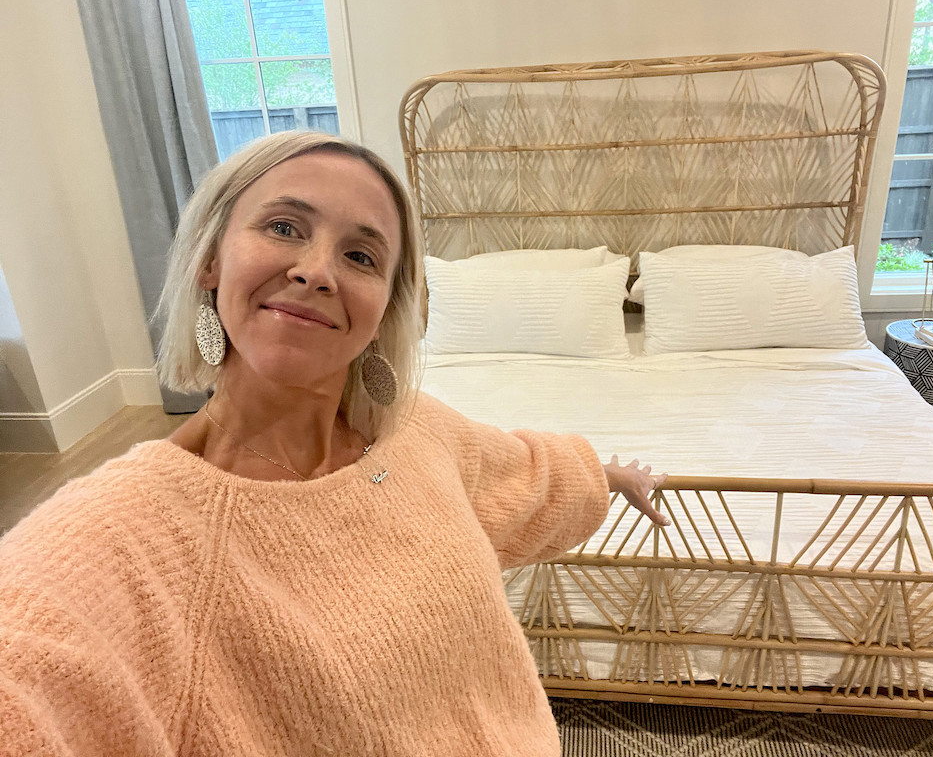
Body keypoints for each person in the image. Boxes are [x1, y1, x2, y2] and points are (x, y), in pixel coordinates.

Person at [0, 131, 667, 756]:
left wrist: (606, 472)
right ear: (210, 259)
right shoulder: (125, 537)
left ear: (383, 310)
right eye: (284, 227)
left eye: (360, 256)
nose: (317, 272)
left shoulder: (415, 432)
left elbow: (521, 474)